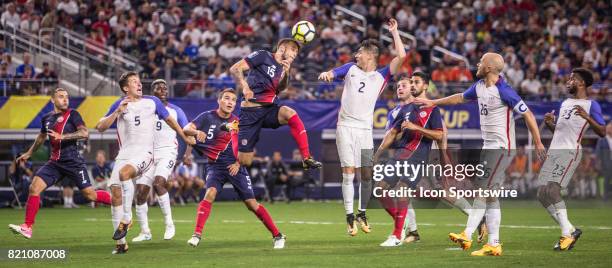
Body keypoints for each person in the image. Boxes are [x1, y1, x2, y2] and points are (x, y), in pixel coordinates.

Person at [415, 52, 545, 256]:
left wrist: (537, 142)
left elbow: (527, 113)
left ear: (490, 68)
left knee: (481, 191)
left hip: (501, 147)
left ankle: (467, 233)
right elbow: (459, 98)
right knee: (491, 196)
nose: (477, 63)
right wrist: (434, 102)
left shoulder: (504, 90)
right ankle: (494, 243)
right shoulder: (479, 87)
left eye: (481, 61)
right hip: (489, 146)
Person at [317, 18, 406, 236]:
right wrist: (328, 74)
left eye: (359, 52)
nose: (356, 55)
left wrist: (394, 32)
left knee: (367, 174)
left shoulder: (381, 76)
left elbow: (402, 56)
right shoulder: (350, 69)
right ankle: (349, 217)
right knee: (348, 172)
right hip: (345, 127)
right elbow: (334, 72)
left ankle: (362, 212)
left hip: (365, 130)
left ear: (370, 55)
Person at [95, 71, 194, 254]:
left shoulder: (152, 102)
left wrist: (185, 139)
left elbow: (171, 121)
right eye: (134, 82)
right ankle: (121, 244)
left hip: (146, 153)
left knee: (126, 174)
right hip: (124, 154)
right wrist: (117, 112)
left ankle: (127, 218)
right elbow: (100, 127)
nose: (139, 84)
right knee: (115, 192)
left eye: (139, 81)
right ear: (126, 88)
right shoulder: (119, 104)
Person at [185, 89, 286, 249]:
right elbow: (186, 131)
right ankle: (196, 235)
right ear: (219, 100)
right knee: (209, 193)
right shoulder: (206, 117)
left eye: (233, 99)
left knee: (251, 204)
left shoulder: (239, 123)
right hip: (215, 166)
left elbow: (248, 149)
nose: (230, 102)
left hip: (234, 166)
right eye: (226, 98)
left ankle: (278, 235)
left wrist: (238, 163)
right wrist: (196, 133)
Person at [8, 88, 112, 239]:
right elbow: (41, 137)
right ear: (52, 100)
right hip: (55, 163)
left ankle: (118, 201)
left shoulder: (73, 114)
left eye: (66, 97)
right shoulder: (47, 118)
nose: (65, 99)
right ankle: (27, 227)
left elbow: (84, 133)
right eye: (61, 96)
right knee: (34, 187)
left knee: (91, 195)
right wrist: (30, 152)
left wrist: (62, 136)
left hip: (74, 163)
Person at [373, 72, 444, 246]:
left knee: (404, 191)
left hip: (419, 155)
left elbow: (439, 135)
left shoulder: (432, 108)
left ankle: (396, 236)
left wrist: (415, 128)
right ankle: (401, 221)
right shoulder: (404, 110)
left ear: (424, 86)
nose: (411, 85)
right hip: (401, 155)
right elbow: (393, 133)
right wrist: (377, 154)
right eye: (409, 82)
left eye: (414, 82)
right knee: (380, 189)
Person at [229, 38, 322, 171]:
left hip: (269, 110)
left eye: (296, 52)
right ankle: (233, 129)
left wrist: (287, 72)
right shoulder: (263, 55)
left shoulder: (283, 67)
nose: (295, 54)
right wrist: (245, 86)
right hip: (250, 113)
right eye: (293, 50)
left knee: (289, 113)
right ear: (282, 48)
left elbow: (281, 88)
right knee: (245, 161)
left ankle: (306, 158)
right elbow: (235, 68)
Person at [539, 68, 606, 251]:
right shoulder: (565, 103)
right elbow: (560, 132)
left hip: (569, 152)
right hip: (555, 151)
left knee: (552, 191)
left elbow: (602, 131)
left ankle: (566, 236)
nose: (568, 81)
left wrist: (587, 118)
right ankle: (571, 229)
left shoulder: (592, 106)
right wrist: (550, 124)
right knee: (541, 194)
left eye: (572, 79)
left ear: (582, 83)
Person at [132, 79, 188, 242]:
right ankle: (145, 231)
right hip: (148, 154)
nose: (163, 89)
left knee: (158, 183)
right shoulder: (144, 110)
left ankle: (169, 224)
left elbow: (187, 129)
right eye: (158, 87)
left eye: (165, 87)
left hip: (167, 152)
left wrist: (189, 151)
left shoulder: (176, 110)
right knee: (141, 193)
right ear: (152, 91)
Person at [594, 122, 612, 200]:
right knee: (606, 180)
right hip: (606, 163)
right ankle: (605, 196)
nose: (610, 129)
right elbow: (598, 152)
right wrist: (598, 163)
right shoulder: (602, 139)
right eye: (609, 128)